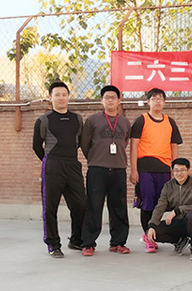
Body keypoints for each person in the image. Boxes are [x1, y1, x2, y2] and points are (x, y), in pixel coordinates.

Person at [32, 81, 86, 258]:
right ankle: (53, 244)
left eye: (64, 94)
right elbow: (36, 146)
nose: (61, 98)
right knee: (50, 207)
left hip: (72, 164)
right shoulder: (44, 120)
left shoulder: (77, 119)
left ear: (68, 97)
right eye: (57, 95)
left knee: (80, 205)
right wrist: (49, 162)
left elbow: (78, 142)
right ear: (50, 98)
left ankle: (76, 240)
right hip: (52, 165)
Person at [80, 85, 131, 256]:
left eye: (113, 97)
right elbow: (85, 143)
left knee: (119, 207)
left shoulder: (124, 122)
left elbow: (125, 142)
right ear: (101, 101)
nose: (110, 100)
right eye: (106, 97)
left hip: (118, 169)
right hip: (97, 169)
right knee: (94, 206)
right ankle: (88, 243)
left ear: (119, 101)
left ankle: (118, 242)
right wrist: (95, 158)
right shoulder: (93, 120)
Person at [130, 88, 182, 253]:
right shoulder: (141, 120)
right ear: (148, 102)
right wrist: (133, 170)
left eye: (160, 98)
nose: (157, 101)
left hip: (164, 168)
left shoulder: (169, 122)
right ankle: (148, 237)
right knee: (147, 203)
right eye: (154, 98)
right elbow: (134, 146)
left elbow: (174, 147)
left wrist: (175, 168)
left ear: (164, 102)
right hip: (145, 168)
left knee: (161, 204)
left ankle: (154, 233)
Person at [146, 158, 192, 260]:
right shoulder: (168, 186)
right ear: (172, 172)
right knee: (154, 232)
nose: (179, 173)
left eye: (182, 170)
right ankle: (179, 241)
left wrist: (176, 211)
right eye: (176, 170)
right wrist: (152, 225)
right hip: (177, 221)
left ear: (188, 170)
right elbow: (160, 206)